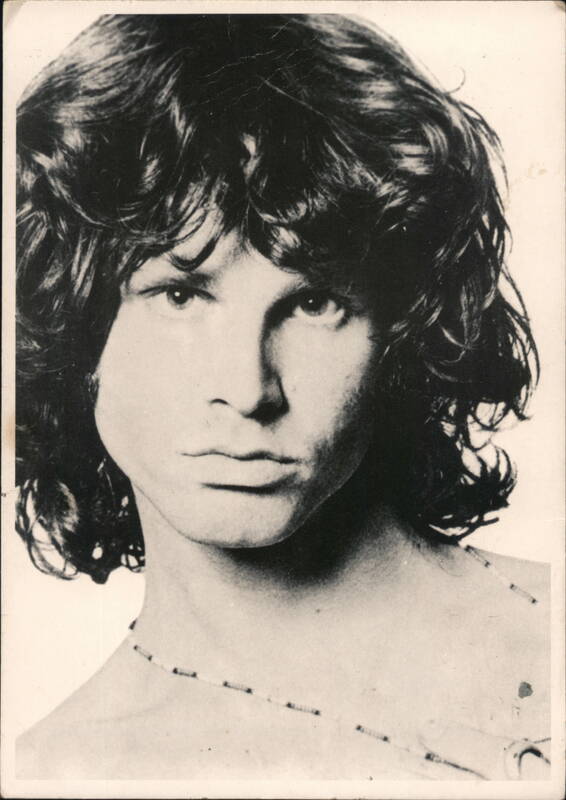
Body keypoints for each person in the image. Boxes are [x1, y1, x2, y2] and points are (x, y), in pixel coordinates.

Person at [14, 13, 549, 781]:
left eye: (313, 303)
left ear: (401, 338)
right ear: (71, 328)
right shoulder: (64, 773)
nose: (247, 390)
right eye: (180, 296)